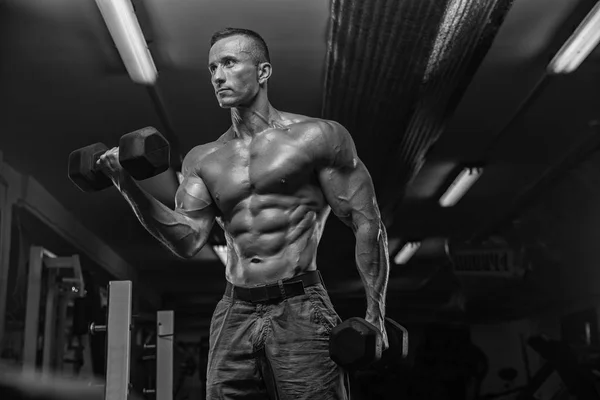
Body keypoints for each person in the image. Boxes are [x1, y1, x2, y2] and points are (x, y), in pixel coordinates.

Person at [97, 27, 390, 400]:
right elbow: (187, 240)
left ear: (263, 71)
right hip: (234, 307)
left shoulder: (318, 137)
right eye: (212, 68)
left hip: (300, 303)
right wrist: (127, 186)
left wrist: (375, 314)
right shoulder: (202, 159)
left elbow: (367, 223)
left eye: (230, 63)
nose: (218, 76)